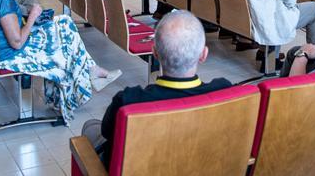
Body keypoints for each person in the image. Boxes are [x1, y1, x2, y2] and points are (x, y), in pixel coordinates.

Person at [81, 10, 232, 167]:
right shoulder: (225, 91)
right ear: (203, 55)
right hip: (200, 165)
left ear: (154, 53)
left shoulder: (128, 100)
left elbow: (108, 133)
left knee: (91, 126)